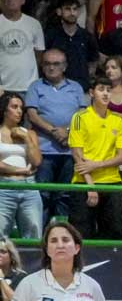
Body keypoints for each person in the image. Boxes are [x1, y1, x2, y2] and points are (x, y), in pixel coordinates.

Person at [66, 74, 122, 239]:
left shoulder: (117, 121)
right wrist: (91, 187)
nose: (106, 94)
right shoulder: (79, 118)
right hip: (84, 184)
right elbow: (77, 155)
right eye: (101, 89)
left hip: (112, 184)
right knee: (80, 235)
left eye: (109, 90)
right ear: (92, 93)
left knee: (113, 235)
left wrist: (96, 165)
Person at [25, 48, 81, 218]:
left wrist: (69, 131)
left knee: (64, 195)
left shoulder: (76, 87)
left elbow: (82, 116)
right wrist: (55, 131)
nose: (51, 68)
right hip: (44, 152)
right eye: (47, 64)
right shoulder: (35, 86)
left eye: (56, 64)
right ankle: (40, 239)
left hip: (70, 151)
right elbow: (32, 115)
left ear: (64, 67)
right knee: (42, 195)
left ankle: (61, 235)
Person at [0, 90, 41, 239]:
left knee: (34, 231)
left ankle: (32, 263)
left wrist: (26, 138)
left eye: (21, 108)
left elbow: (36, 161)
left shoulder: (29, 133)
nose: (19, 111)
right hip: (3, 186)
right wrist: (20, 169)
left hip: (28, 186)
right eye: (14, 107)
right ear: (4, 110)